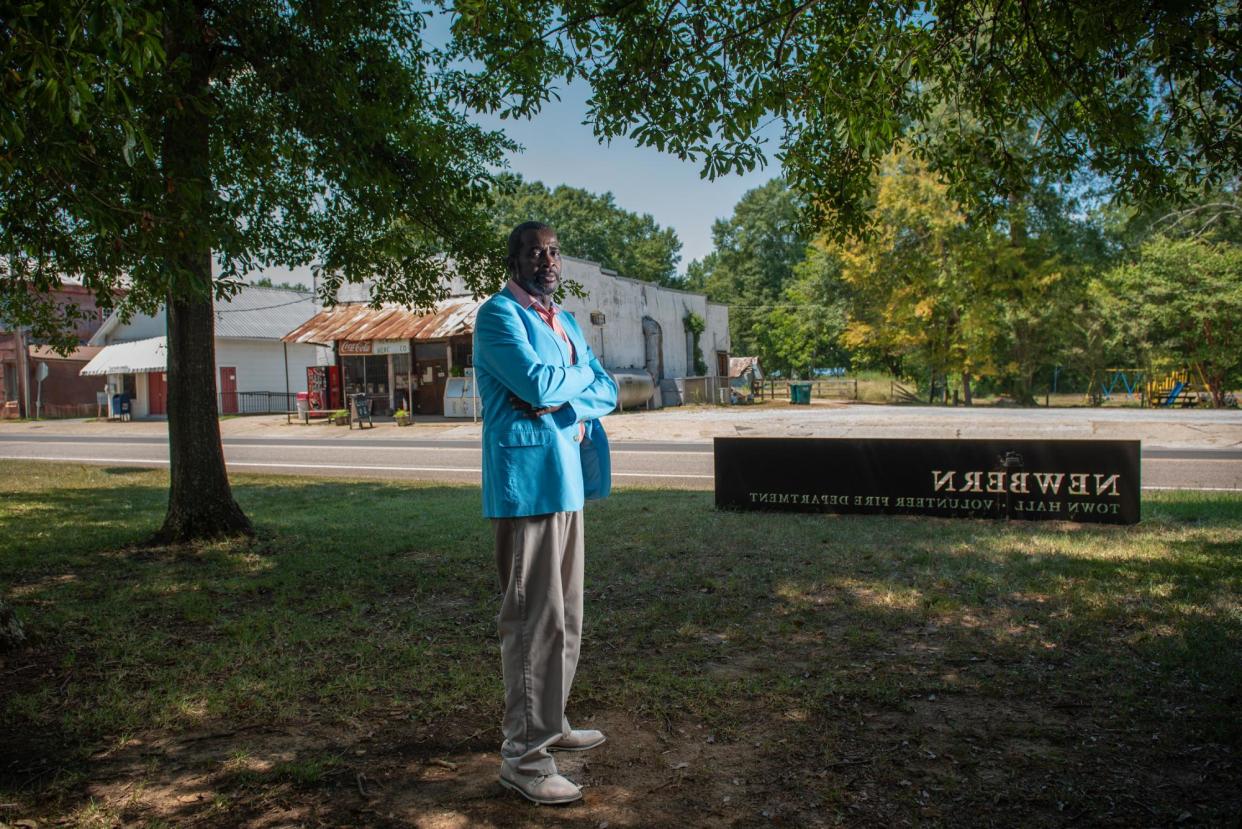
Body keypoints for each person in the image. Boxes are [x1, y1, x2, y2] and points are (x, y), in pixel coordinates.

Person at [472, 221, 619, 805]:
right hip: (527, 486)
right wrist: (564, 385)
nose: (547, 260)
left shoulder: (564, 320)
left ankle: (551, 722)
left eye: (554, 252)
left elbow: (605, 389)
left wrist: (567, 385)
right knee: (534, 623)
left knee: (568, 617)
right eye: (535, 252)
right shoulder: (499, 317)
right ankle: (526, 760)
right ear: (513, 259)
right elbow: (534, 384)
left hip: (569, 481)